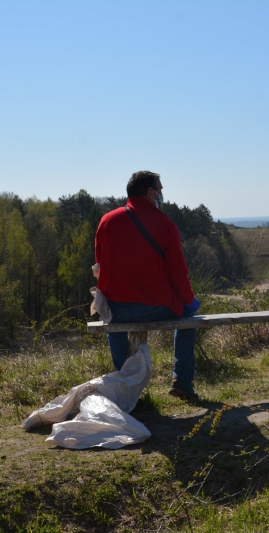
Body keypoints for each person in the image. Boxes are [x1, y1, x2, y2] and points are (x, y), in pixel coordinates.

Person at [94, 170, 201, 400]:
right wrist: (190, 302)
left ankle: (126, 386)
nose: (161, 194)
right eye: (160, 190)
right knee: (188, 322)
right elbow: (178, 273)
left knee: (113, 326)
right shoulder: (164, 224)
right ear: (150, 192)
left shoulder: (107, 221)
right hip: (153, 306)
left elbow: (99, 266)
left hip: (117, 308)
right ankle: (181, 382)